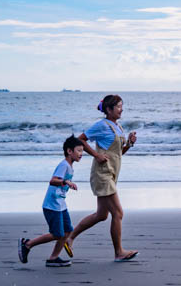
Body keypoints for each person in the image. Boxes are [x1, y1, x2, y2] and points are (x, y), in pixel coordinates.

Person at [66, 94, 139, 262]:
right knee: (118, 213)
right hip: (102, 174)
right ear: (108, 109)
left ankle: (69, 238)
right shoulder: (101, 125)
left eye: (122, 106)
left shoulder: (118, 127)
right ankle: (119, 252)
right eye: (119, 106)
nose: (122, 109)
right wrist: (96, 155)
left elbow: (119, 154)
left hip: (112, 174)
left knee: (101, 215)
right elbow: (80, 139)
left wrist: (129, 143)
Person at [19, 135, 84, 267]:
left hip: (60, 204)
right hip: (52, 205)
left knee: (67, 231)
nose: (81, 154)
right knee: (57, 234)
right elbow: (53, 180)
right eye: (78, 150)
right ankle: (28, 244)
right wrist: (66, 181)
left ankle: (53, 258)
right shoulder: (64, 165)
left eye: (82, 151)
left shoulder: (70, 166)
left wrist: (67, 183)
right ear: (69, 151)